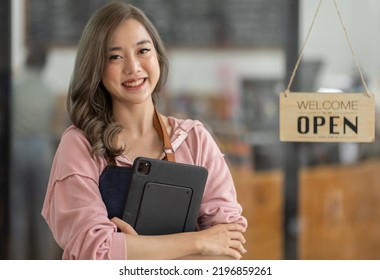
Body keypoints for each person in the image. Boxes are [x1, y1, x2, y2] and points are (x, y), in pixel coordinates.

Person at [41, 1, 247, 260]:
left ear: (158, 57)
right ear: (96, 69)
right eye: (115, 56)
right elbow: (95, 252)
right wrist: (199, 241)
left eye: (143, 51)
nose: (133, 67)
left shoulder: (195, 140)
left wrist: (133, 250)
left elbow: (229, 246)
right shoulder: (80, 145)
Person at [10, 46, 61, 259]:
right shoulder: (49, 91)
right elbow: (54, 126)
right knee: (44, 211)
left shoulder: (14, 88)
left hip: (15, 147)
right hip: (41, 149)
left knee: (17, 211)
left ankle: (15, 263)